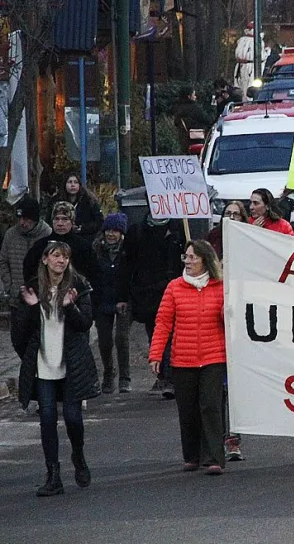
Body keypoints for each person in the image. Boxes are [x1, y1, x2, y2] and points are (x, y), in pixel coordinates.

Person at [12, 240, 98, 496]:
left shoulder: (78, 285)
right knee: (47, 418)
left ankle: (79, 457)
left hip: (71, 363)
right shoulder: (31, 288)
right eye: (56, 256)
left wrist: (70, 307)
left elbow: (85, 324)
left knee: (73, 417)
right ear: (45, 260)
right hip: (42, 363)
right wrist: (29, 309)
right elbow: (19, 332)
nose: (61, 261)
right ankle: (53, 475)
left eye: (65, 257)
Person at [149, 240, 227, 475]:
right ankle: (192, 455)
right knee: (188, 409)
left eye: (193, 257)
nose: (188, 261)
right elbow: (163, 322)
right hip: (183, 358)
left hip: (214, 356)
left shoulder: (221, 287)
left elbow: (230, 319)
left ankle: (214, 456)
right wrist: (156, 354)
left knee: (211, 406)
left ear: (205, 259)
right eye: (186, 257)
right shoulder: (175, 287)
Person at [117, 211, 184, 397]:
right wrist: (123, 295)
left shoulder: (177, 229)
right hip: (144, 292)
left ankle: (170, 379)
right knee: (154, 334)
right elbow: (126, 264)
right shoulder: (137, 230)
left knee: (170, 334)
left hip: (169, 289)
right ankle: (162, 374)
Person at [91, 213, 129, 394]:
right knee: (104, 341)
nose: (111, 234)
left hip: (123, 300)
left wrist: (126, 298)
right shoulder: (97, 250)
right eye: (108, 230)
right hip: (102, 300)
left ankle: (125, 377)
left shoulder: (128, 250)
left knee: (121, 338)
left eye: (115, 230)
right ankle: (108, 373)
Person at [24, 202, 98, 287]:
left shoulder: (84, 247)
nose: (60, 223)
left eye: (65, 219)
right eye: (56, 219)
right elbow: (29, 272)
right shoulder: (40, 246)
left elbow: (94, 275)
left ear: (72, 222)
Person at [0, 196, 51, 315]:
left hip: (41, 297)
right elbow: (3, 261)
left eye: (27, 219)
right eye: (20, 218)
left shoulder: (47, 234)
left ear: (35, 219)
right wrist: (9, 285)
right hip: (17, 296)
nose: (22, 222)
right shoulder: (11, 234)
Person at [51, 172, 104, 244]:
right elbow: (49, 219)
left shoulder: (90, 201)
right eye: (70, 182)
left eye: (75, 182)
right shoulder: (55, 201)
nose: (72, 185)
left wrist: (82, 228)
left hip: (85, 239)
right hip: (61, 240)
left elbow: (99, 222)